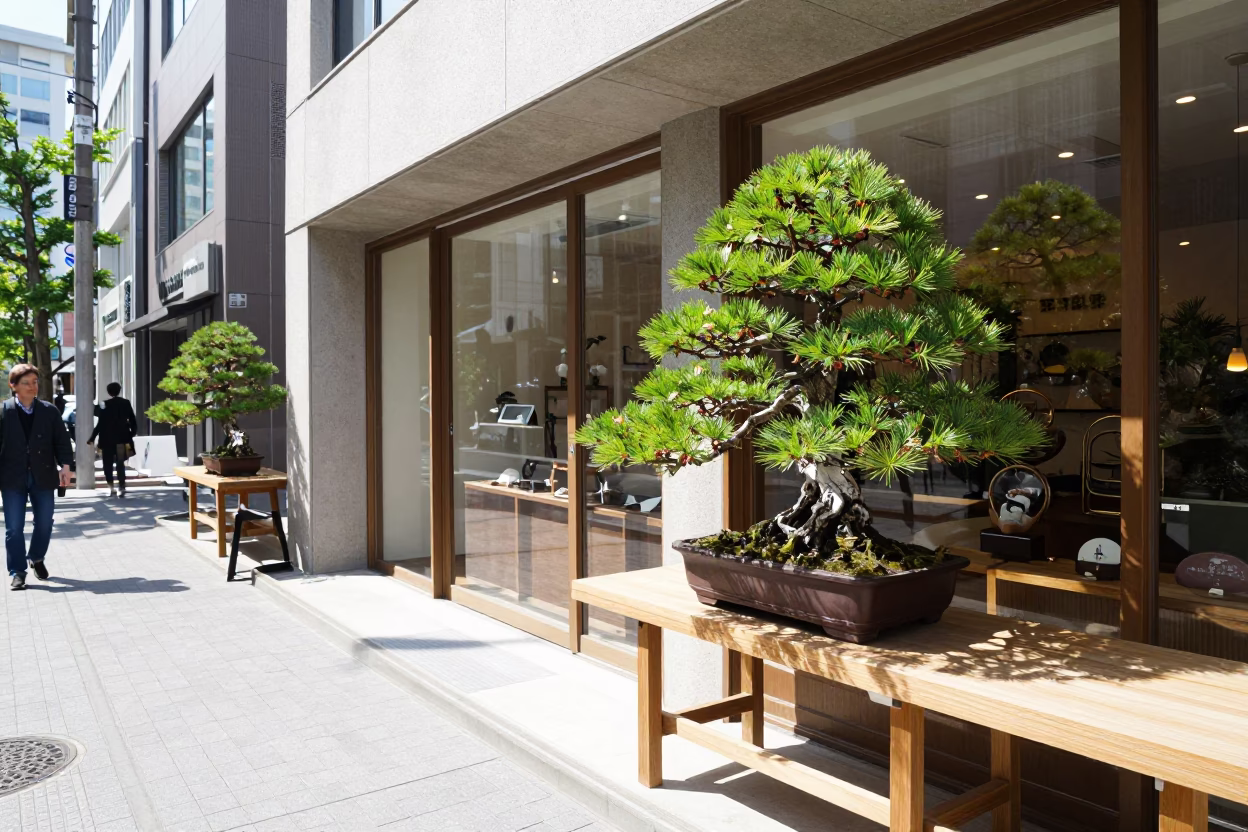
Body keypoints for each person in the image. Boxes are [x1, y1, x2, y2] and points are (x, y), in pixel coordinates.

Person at [2, 364, 73, 590]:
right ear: (13, 386)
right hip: (12, 477)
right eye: (26, 383)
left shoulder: (49, 410)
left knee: (44, 523)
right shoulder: (4, 411)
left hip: (43, 475)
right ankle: (17, 571)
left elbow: (61, 441)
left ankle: (37, 557)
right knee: (14, 527)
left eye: (35, 382)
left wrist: (66, 466)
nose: (32, 387)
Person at [89, 382, 137, 498]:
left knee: (107, 464)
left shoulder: (104, 405)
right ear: (119, 390)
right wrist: (131, 433)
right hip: (122, 438)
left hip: (107, 439)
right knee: (120, 463)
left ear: (109, 392)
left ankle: (111, 487)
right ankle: (122, 486)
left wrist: (92, 437)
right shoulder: (125, 403)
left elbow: (100, 424)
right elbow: (132, 419)